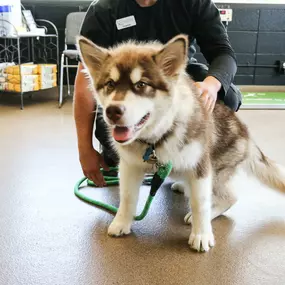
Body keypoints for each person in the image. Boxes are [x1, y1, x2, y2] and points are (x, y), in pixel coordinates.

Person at [74, 0, 242, 187]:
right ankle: (126, 152)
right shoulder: (104, 10)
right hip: (122, 89)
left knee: (228, 97)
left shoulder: (195, 3)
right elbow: (84, 82)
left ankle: (191, 155)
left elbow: (223, 53)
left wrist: (211, 85)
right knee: (108, 130)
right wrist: (84, 149)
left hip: (174, 80)